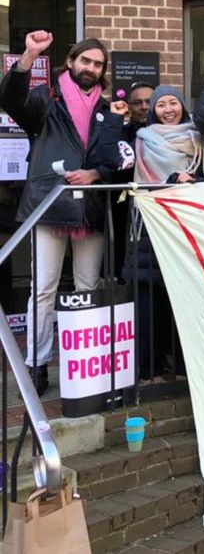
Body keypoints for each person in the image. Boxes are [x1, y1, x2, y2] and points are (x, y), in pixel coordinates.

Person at [0, 31, 127, 394]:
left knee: (88, 287)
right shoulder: (45, 99)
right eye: (85, 60)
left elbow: (113, 158)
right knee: (43, 288)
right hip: (48, 202)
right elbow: (10, 98)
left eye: (97, 64)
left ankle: (85, 362)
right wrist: (28, 55)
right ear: (71, 62)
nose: (90, 67)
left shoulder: (107, 109)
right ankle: (37, 364)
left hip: (90, 207)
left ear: (102, 72)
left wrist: (97, 174)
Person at [125, 85, 204, 382]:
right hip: (150, 229)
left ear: (182, 106)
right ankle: (150, 366)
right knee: (150, 301)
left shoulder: (200, 140)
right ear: (153, 110)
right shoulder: (140, 139)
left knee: (185, 300)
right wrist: (170, 180)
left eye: (173, 103)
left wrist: (195, 181)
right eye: (161, 104)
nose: (168, 109)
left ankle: (182, 364)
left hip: (188, 230)